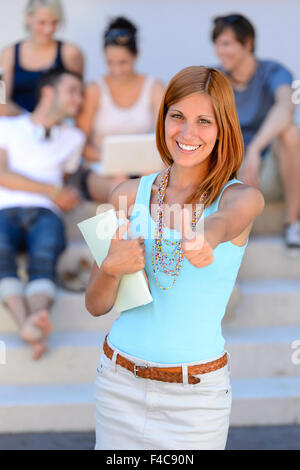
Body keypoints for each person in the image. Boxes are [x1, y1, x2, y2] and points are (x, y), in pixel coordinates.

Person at [85, 66, 264, 450]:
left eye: (204, 121)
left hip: (195, 401)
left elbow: (228, 220)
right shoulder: (127, 194)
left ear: (223, 129)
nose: (187, 133)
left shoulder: (240, 197)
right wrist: (111, 268)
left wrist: (207, 237)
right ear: (163, 117)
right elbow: (96, 304)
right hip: (118, 385)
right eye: (177, 116)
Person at [0, 68, 85, 360]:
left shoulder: (74, 138)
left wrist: (67, 195)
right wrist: (51, 190)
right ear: (48, 92)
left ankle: (34, 319)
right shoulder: (8, 126)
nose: (79, 98)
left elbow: (70, 185)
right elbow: (1, 174)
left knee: (45, 256)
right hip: (4, 208)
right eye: (73, 90)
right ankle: (29, 322)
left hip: (45, 214)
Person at [212, 13, 300, 248]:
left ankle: (293, 223)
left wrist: (255, 148)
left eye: (226, 43)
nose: (219, 51)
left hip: (271, 169)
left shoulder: (273, 71)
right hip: (232, 170)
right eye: (217, 44)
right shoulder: (215, 79)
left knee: (290, 132)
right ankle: (232, 226)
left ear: (248, 43)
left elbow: (286, 105)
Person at [77, 16, 165, 203]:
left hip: (144, 167)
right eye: (110, 63)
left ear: (136, 55)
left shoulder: (155, 88)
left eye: (123, 63)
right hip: (101, 168)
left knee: (151, 184)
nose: (116, 70)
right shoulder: (94, 90)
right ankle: (123, 232)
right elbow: (79, 143)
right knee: (120, 187)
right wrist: (114, 159)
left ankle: (147, 231)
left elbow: (166, 136)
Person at [0, 0, 83, 117]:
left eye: (54, 22)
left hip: (57, 128)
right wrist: (29, 121)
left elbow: (78, 98)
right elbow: (1, 100)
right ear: (28, 18)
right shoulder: (8, 54)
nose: (48, 29)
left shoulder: (70, 53)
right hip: (17, 125)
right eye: (42, 23)